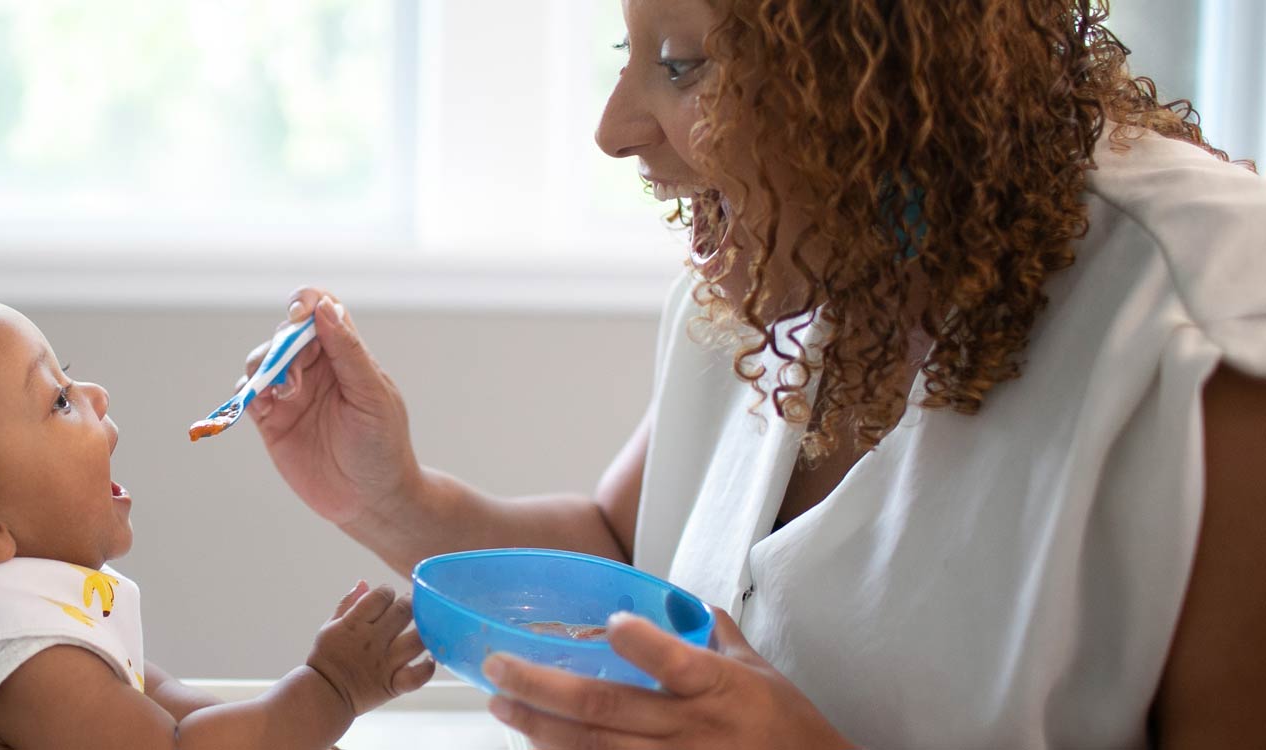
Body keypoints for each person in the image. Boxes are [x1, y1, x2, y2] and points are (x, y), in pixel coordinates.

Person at [236, 1, 1266, 747]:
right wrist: (390, 497)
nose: (613, 127)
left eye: (682, 63)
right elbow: (632, 554)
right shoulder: (785, 248)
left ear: (886, 59)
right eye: (628, 50)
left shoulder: (1196, 335)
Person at [0, 267, 435, 750]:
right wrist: (332, 687)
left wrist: (293, 700)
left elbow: (177, 711)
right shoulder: (22, 661)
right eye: (58, 399)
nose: (95, 394)